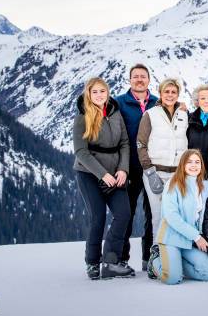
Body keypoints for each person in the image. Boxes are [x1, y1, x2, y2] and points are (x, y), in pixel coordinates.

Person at [73, 77, 133, 279]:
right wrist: (103, 174)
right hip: (89, 174)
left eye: (102, 91)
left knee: (123, 214)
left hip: (116, 173)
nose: (99, 95)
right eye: (95, 92)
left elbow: (124, 143)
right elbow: (81, 152)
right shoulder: (83, 117)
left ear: (108, 93)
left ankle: (110, 261)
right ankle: (92, 263)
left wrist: (123, 169)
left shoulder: (115, 113)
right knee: (98, 217)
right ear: (88, 94)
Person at [147, 150, 208, 284]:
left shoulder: (201, 186)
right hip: (171, 238)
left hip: (188, 242)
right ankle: (155, 261)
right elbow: (171, 216)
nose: (194, 165)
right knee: (173, 279)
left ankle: (175, 264)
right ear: (183, 164)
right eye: (189, 162)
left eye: (197, 162)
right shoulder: (174, 183)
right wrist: (197, 237)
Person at [115, 63, 157, 272]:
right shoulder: (119, 103)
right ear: (130, 80)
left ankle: (148, 258)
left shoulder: (158, 103)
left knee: (152, 214)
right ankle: (121, 259)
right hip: (128, 168)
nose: (139, 79)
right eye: (135, 77)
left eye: (143, 76)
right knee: (126, 213)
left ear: (149, 80)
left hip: (152, 168)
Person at [137, 78, 188, 247]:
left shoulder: (183, 114)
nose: (170, 95)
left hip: (177, 173)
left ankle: (173, 256)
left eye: (173, 92)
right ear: (160, 93)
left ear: (178, 94)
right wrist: (149, 171)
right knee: (158, 216)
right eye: (166, 91)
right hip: (156, 172)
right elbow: (141, 144)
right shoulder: (150, 114)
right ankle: (156, 257)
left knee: (176, 215)